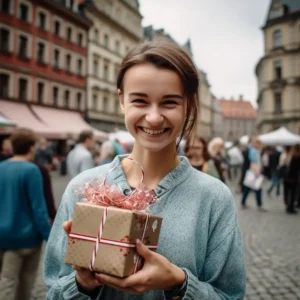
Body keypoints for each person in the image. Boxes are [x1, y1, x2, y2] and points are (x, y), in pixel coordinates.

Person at [44, 41, 246, 299]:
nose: (153, 117)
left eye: (169, 103)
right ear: (121, 101)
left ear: (188, 105)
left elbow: (230, 295)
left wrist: (179, 283)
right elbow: (53, 290)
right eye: (140, 101)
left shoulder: (214, 198)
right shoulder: (82, 188)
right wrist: (82, 284)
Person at [0, 128, 51, 300]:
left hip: (2, 235)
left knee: (6, 280)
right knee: (24, 283)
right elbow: (39, 208)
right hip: (25, 238)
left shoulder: (1, 167)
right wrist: (49, 237)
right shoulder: (31, 170)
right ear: (31, 147)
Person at [241, 136, 266, 211]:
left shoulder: (254, 150)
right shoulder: (253, 150)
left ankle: (244, 202)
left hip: (253, 172)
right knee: (257, 188)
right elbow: (253, 162)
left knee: (248, 188)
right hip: (254, 172)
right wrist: (256, 173)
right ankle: (259, 204)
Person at [284, 145, 300, 214]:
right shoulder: (297, 157)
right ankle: (290, 207)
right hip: (294, 177)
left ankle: (288, 205)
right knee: (293, 193)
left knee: (288, 192)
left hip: (287, 177)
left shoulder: (290, 156)